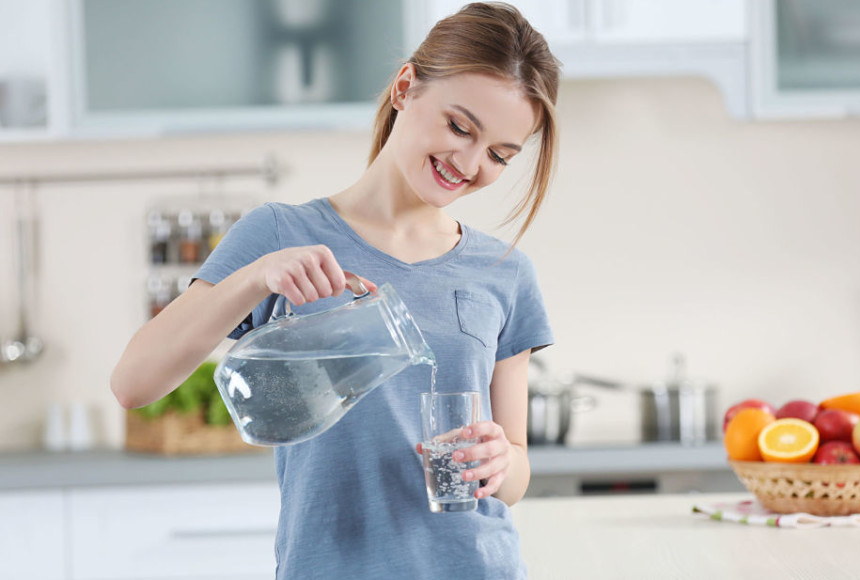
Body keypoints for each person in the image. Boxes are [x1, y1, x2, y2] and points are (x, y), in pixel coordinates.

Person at [111, 3, 560, 578]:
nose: (470, 163)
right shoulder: (281, 234)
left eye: (499, 155)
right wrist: (255, 277)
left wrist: (500, 461)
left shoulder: (504, 272)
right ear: (405, 88)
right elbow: (133, 383)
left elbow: (516, 470)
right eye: (459, 127)